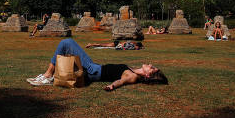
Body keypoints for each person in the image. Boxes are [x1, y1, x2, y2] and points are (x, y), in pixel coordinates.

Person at [26, 39, 168, 90]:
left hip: (93, 71)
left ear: (149, 75)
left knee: (67, 43)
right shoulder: (133, 70)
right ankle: (49, 76)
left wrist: (112, 86)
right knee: (66, 51)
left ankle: (48, 75)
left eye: (152, 67)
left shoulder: (132, 76)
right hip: (94, 68)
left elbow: (121, 81)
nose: (150, 64)